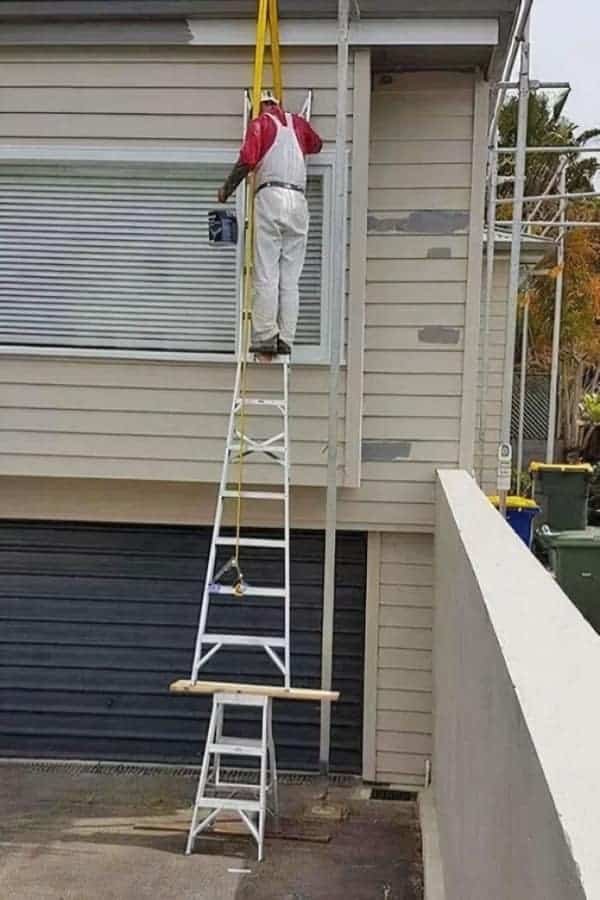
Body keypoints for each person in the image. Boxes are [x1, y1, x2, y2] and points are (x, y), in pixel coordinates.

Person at [218, 90, 323, 356]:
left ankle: (266, 336)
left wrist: (226, 190)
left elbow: (247, 160)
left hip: (271, 195)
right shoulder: (297, 123)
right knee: (291, 277)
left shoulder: (261, 123)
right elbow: (316, 145)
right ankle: (286, 337)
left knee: (266, 270)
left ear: (262, 106)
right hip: (298, 201)